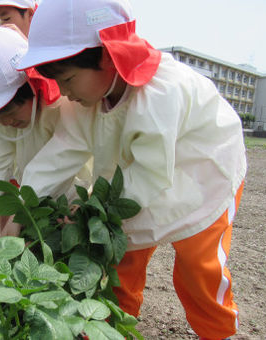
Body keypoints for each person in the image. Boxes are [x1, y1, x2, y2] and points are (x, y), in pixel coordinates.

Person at [15, 0, 247, 339]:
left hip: (204, 175)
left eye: (68, 80)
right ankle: (112, 330)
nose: (63, 92)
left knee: (199, 271)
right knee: (121, 265)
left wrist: (92, 211)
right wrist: (24, 209)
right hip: (138, 180)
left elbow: (150, 174)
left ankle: (219, 332)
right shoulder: (89, 98)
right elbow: (60, 155)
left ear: (108, 57)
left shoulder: (159, 95)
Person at [0, 27, 90, 235]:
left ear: (31, 87)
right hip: (34, 199)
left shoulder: (63, 106)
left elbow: (57, 162)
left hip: (74, 199)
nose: (6, 122)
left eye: (11, 112)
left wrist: (21, 213)